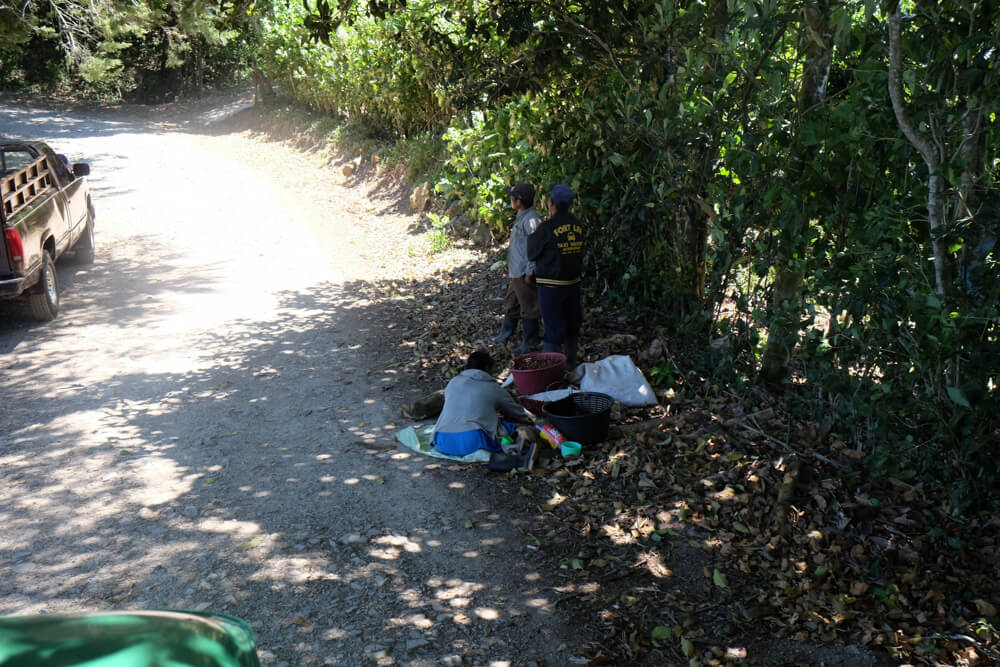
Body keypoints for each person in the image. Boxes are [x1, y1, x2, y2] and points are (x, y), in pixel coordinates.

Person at [433, 351, 534, 457]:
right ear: (487, 368)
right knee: (510, 429)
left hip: (442, 441)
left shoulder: (453, 382)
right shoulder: (492, 387)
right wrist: (533, 419)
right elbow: (518, 413)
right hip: (472, 443)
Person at [527, 184, 584, 370]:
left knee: (553, 329)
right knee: (572, 325)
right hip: (573, 284)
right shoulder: (578, 225)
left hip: (551, 286)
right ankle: (571, 366)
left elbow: (532, 253)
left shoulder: (547, 227)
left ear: (551, 203)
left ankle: (551, 371)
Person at [490, 183, 542, 355]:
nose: (510, 200)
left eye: (512, 198)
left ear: (519, 201)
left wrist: (530, 272)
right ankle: (505, 335)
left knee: (529, 306)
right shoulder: (522, 216)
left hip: (523, 272)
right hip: (516, 270)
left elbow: (535, 249)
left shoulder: (531, 220)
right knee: (512, 303)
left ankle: (530, 341)